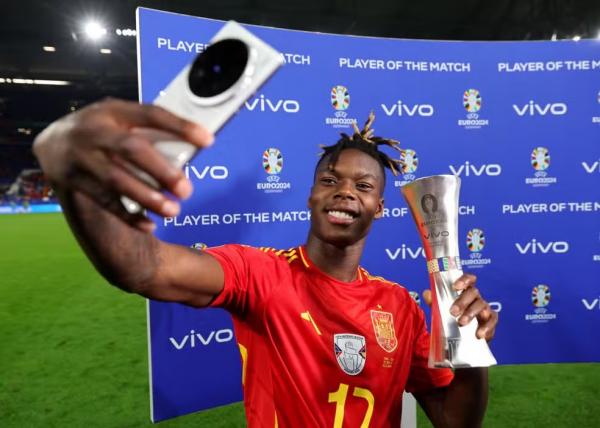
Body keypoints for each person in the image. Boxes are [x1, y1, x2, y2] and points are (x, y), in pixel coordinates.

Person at [33, 99, 498, 427]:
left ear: (379, 206)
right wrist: (76, 181)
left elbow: (456, 421)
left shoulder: (396, 305)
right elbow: (145, 268)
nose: (344, 191)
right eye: (330, 179)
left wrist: (473, 351)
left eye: (363, 186)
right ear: (312, 194)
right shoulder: (260, 274)